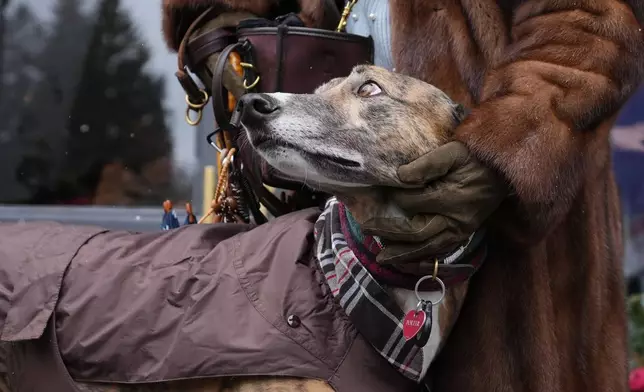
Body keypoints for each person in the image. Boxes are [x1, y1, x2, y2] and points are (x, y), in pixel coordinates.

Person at [0, 1, 642, 391]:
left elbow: (591, 23)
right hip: (326, 239)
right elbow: (213, 14)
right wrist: (229, 45)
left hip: (512, 249)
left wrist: (502, 149)